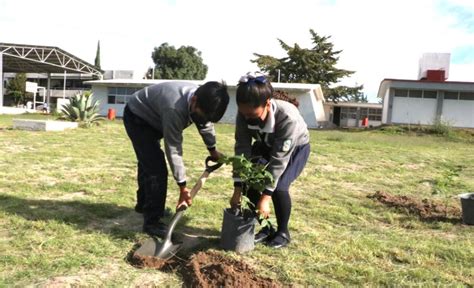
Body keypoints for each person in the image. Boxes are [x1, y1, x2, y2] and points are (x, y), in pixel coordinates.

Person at [123, 81, 229, 238]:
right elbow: (173, 149)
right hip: (138, 117)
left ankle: (144, 205)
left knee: (148, 162)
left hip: (155, 116)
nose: (201, 119)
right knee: (155, 168)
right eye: (200, 115)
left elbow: (205, 125)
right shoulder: (174, 108)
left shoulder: (204, 101)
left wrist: (213, 150)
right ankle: (152, 221)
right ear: (194, 100)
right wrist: (182, 187)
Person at [230, 72, 310, 249]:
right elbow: (242, 148)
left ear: (267, 104)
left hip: (295, 148)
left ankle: (283, 233)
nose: (248, 118)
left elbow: (279, 160)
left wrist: (265, 197)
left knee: (279, 187)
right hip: (265, 143)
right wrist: (238, 187)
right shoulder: (244, 114)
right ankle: (267, 228)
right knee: (250, 183)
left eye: (253, 115)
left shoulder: (288, 117)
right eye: (245, 114)